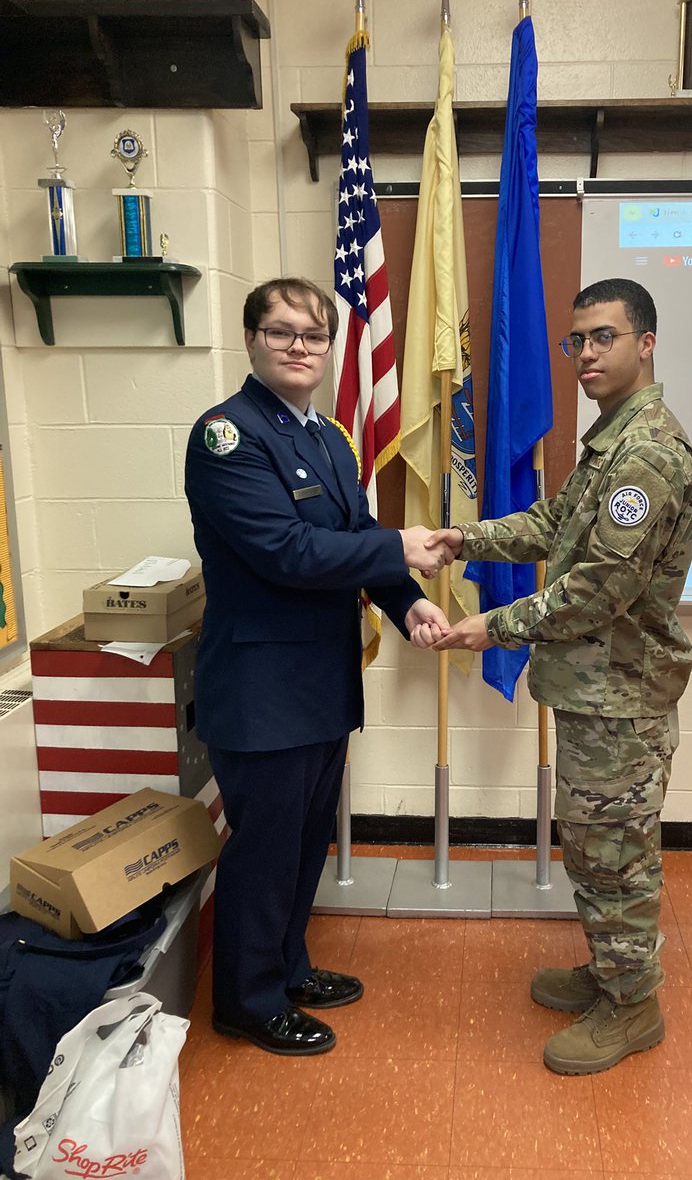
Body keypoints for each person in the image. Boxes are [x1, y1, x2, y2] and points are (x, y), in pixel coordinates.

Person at [429, 278, 692, 1074]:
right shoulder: (611, 441)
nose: (585, 354)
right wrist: (464, 539)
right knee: (590, 846)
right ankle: (610, 971)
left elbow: (595, 593)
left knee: (615, 852)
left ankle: (633, 1006)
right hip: (595, 692)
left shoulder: (647, 454)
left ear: (646, 343)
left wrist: (492, 627)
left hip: (620, 699)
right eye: (576, 340)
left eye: (604, 338)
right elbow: (556, 524)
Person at [184, 277, 448, 1056]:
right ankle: (246, 1001)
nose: (300, 347)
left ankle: (286, 966)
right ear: (252, 341)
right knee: (264, 852)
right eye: (282, 332)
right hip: (263, 690)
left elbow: (353, 534)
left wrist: (407, 603)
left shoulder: (327, 437)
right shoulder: (226, 436)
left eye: (314, 335)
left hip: (321, 683)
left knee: (304, 845)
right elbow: (288, 551)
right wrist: (399, 546)